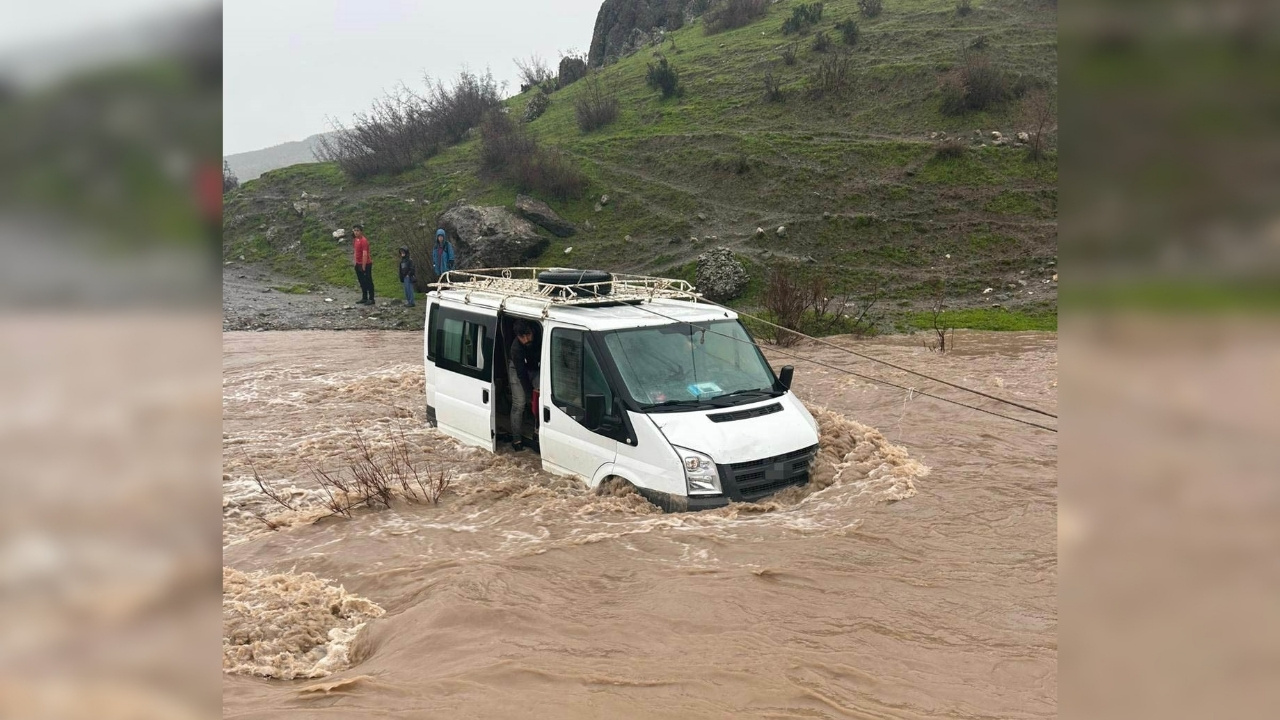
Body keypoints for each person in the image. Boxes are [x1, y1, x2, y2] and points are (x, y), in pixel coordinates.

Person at [507, 320, 539, 451]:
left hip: (535, 367)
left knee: (541, 400)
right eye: (522, 337)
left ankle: (537, 432)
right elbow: (522, 375)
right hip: (517, 369)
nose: (526, 339)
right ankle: (516, 439)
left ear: (532, 331)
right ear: (517, 337)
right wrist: (529, 395)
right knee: (519, 403)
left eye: (528, 335)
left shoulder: (540, 335)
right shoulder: (516, 349)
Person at [352, 224, 374, 305]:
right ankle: (364, 297)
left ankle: (371, 298)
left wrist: (363, 266)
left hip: (366, 263)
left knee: (368, 281)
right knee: (361, 281)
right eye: (355, 230)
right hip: (358, 263)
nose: (356, 232)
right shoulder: (355, 240)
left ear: (361, 231)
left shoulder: (364, 241)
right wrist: (355, 262)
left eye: (357, 230)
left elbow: (365, 254)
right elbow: (355, 251)